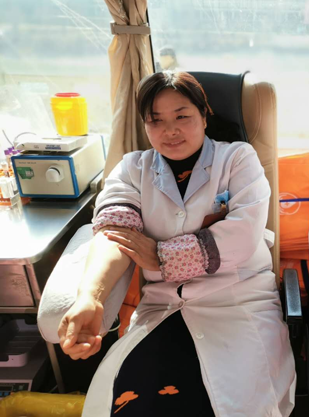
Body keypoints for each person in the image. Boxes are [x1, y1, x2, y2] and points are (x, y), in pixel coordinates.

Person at [57, 71, 296, 416]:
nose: (170, 131)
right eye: (156, 121)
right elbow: (114, 235)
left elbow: (243, 236)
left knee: (232, 404)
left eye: (182, 116)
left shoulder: (237, 158)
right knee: (137, 402)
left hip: (237, 300)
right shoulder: (132, 169)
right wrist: (90, 298)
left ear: (204, 115)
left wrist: (159, 256)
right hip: (165, 306)